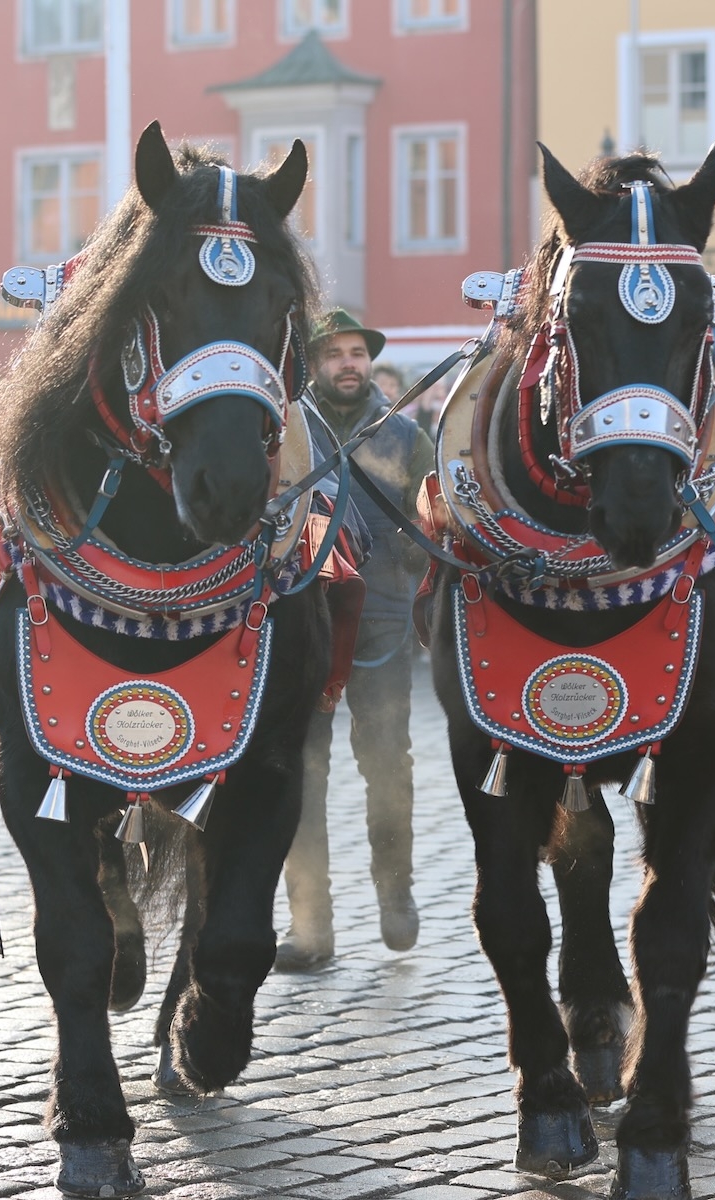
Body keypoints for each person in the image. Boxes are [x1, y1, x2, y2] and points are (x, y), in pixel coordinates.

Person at [277, 310, 434, 971]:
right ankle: (311, 927)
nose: (349, 363)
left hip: (381, 616)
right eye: (335, 353)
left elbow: (433, 519)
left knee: (387, 763)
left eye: (358, 353)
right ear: (313, 363)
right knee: (301, 770)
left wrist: (409, 563)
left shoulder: (405, 434)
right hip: (303, 617)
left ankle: (395, 891)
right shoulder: (289, 429)